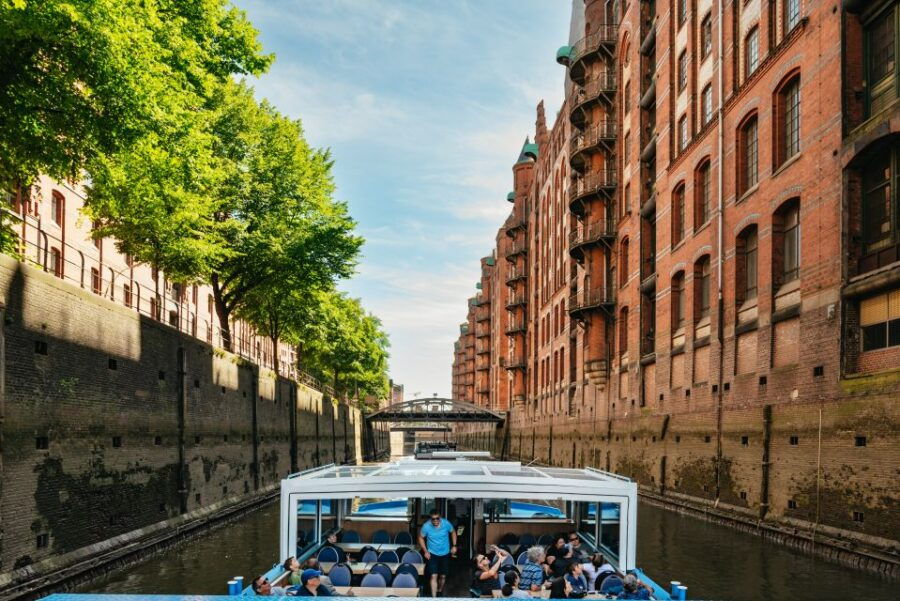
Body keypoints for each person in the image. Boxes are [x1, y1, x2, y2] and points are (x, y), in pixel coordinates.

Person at [418, 509, 457, 596]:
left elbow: (453, 532)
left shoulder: (446, 523)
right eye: (433, 519)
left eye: (437, 518)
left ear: (440, 518)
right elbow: (420, 537)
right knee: (433, 575)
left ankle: (439, 590)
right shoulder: (426, 526)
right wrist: (425, 551)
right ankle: (434, 597)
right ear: (430, 519)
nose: (435, 520)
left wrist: (454, 545)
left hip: (445, 553)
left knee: (443, 576)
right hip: (432, 554)